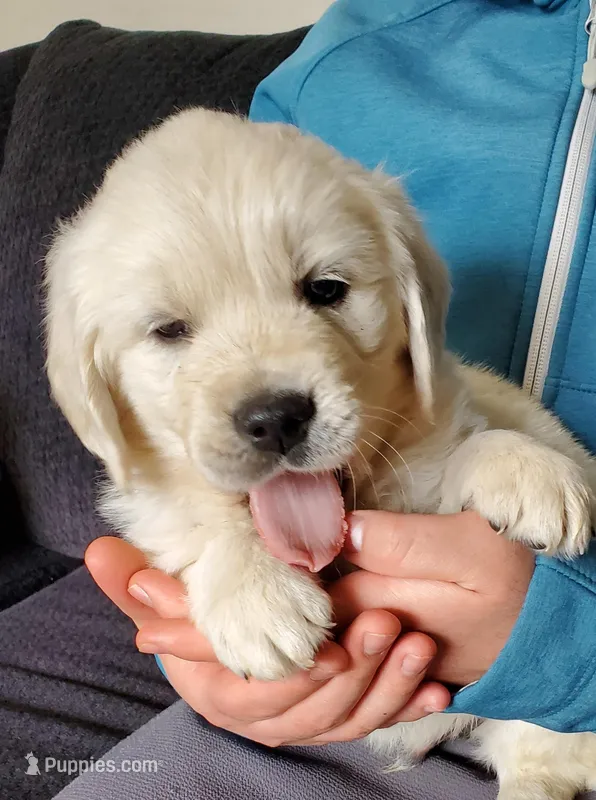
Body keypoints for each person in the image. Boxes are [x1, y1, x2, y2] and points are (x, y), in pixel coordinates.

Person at [55, 0, 596, 796]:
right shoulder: (338, 64)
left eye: (325, 289)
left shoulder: (438, 409)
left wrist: (563, 639)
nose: (268, 406)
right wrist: (213, 606)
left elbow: (478, 440)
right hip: (293, 728)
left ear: (419, 306)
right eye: (170, 329)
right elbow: (169, 546)